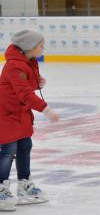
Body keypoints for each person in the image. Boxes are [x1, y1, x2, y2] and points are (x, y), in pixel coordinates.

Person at [0, 30, 60, 212]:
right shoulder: (14, 66)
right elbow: (24, 93)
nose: (43, 48)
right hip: (7, 114)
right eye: (40, 45)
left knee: (25, 147)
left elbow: (25, 85)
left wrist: (38, 83)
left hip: (20, 114)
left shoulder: (28, 62)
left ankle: (24, 185)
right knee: (8, 151)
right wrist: (46, 109)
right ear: (29, 47)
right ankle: (1, 189)